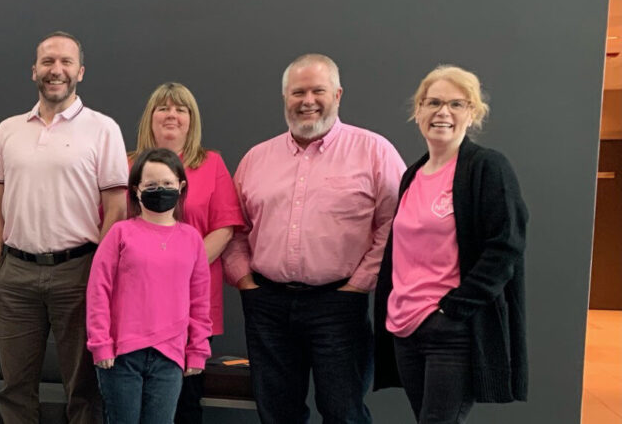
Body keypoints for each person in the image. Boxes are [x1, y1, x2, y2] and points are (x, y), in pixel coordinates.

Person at [223, 53, 405, 424]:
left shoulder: (374, 152)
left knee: (344, 412)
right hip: (267, 304)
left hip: (338, 305)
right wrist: (244, 281)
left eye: (318, 90)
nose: (307, 101)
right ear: (285, 98)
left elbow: (395, 224)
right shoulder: (257, 158)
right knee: (276, 412)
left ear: (337, 94)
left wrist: (359, 284)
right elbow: (233, 227)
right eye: (297, 92)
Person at [0, 31, 128, 423]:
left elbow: (116, 207)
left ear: (80, 71)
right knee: (14, 387)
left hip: (78, 272)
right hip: (15, 274)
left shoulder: (103, 129)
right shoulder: (8, 129)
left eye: (65, 62)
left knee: (83, 388)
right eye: (47, 62)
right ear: (34, 71)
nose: (56, 70)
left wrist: (98, 269)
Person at [373, 65, 529, 423]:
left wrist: (454, 310)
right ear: (418, 111)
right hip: (404, 328)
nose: (443, 112)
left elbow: (507, 245)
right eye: (433, 103)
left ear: (472, 114)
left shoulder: (486, 167)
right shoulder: (413, 174)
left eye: (457, 104)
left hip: (451, 330)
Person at [128, 82, 243, 423]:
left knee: (184, 399)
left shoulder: (212, 164)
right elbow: (116, 228)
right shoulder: (128, 164)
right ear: (150, 117)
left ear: (192, 120)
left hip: (191, 300)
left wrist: (177, 271)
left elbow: (224, 228)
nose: (172, 115)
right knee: (134, 397)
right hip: (137, 303)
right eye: (163, 108)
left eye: (181, 109)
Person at [89, 148, 211, 424]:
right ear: (136, 190)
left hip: (170, 356)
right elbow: (99, 290)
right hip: (122, 355)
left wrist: (198, 350)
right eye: (151, 185)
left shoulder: (192, 239)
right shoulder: (120, 233)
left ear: (181, 186)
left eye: (167, 184)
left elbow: (200, 301)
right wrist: (101, 343)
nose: (160, 190)